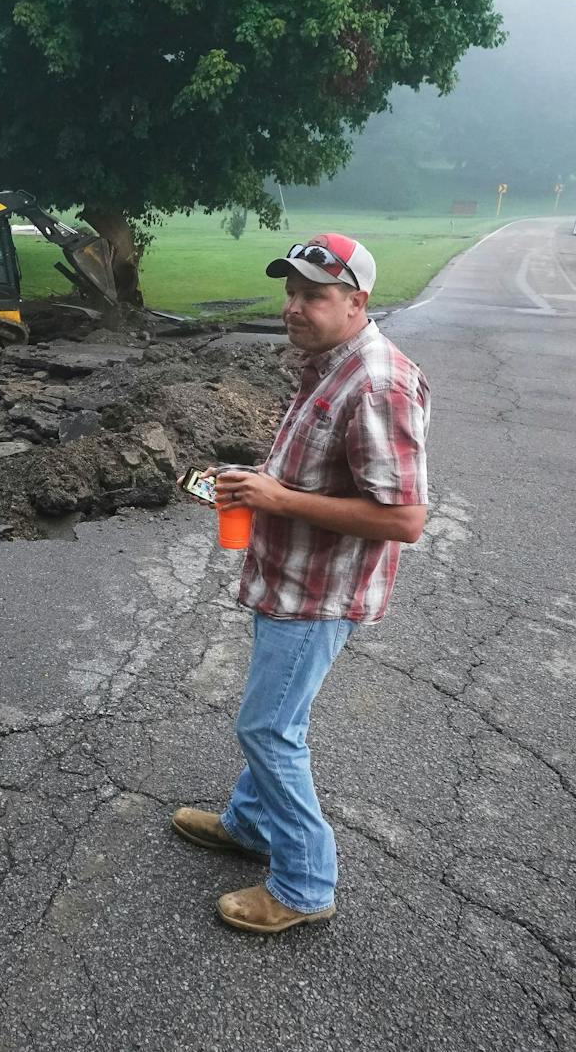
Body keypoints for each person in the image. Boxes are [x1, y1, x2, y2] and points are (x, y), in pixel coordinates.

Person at [173, 233, 430, 934]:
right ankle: (251, 824)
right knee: (276, 720)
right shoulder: (326, 363)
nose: (295, 307)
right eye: (291, 291)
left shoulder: (377, 380)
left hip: (319, 596)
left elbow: (405, 516)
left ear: (357, 301)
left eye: (314, 295)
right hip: (286, 579)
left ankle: (306, 881)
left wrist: (279, 501)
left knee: (268, 727)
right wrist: (255, 490)